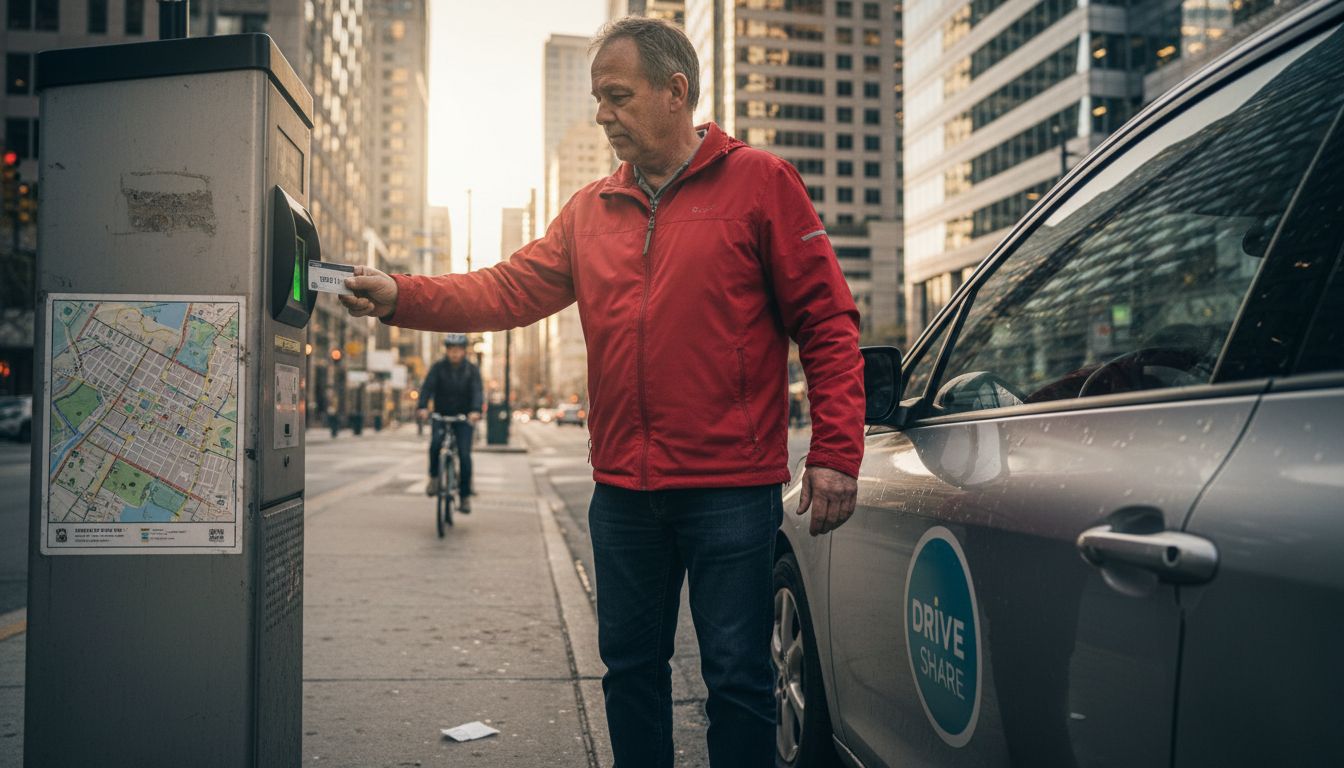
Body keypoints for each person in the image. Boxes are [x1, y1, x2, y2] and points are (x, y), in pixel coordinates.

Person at [340, 16, 863, 767]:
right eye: (596, 98)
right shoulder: (590, 210)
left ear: (674, 92)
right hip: (623, 494)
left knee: (740, 682)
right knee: (630, 677)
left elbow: (828, 321)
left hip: (731, 491)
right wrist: (399, 295)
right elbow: (506, 289)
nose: (601, 114)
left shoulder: (761, 183)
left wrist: (837, 450)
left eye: (617, 96)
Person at [418, 334, 483, 512]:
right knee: (435, 445)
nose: (454, 353)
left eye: (458, 350)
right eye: (451, 350)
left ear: (464, 351)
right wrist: (422, 406)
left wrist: (475, 411)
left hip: (464, 418)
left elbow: (477, 391)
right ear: (446, 350)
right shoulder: (438, 368)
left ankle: (464, 496)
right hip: (441, 415)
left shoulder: (471, 369)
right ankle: (434, 478)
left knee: (464, 455)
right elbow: (427, 387)